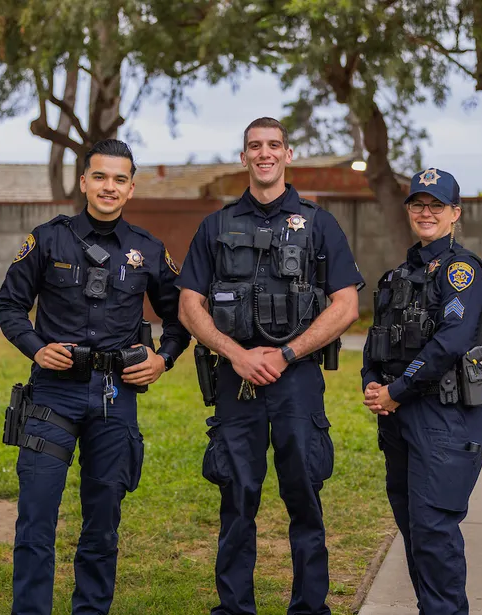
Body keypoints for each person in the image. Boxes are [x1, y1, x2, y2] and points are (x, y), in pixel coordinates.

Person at [0, 138, 190, 615]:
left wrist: (164, 358)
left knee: (102, 524)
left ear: (131, 188)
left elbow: (182, 317)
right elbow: (9, 306)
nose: (109, 187)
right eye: (99, 177)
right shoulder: (47, 239)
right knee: (36, 520)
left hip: (113, 397)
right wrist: (38, 350)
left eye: (119, 179)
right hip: (51, 398)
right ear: (83, 182)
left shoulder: (147, 250)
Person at [177, 117, 363, 615]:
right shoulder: (216, 226)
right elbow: (189, 304)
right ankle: (235, 609)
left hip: (296, 381)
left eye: (273, 145)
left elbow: (346, 304)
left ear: (288, 153)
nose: (264, 153)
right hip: (235, 383)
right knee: (237, 500)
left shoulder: (318, 223)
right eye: (254, 146)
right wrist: (236, 354)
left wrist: (285, 354)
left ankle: (310, 608)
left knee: (304, 497)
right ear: (243, 157)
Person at [361, 168, 482, 615]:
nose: (426, 212)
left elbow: (452, 342)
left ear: (454, 213)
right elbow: (376, 340)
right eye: (418, 204)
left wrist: (397, 390)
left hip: (446, 415)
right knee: (415, 528)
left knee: (434, 530)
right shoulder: (399, 274)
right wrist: (373, 385)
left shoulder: (461, 272)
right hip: (401, 416)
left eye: (436, 205)